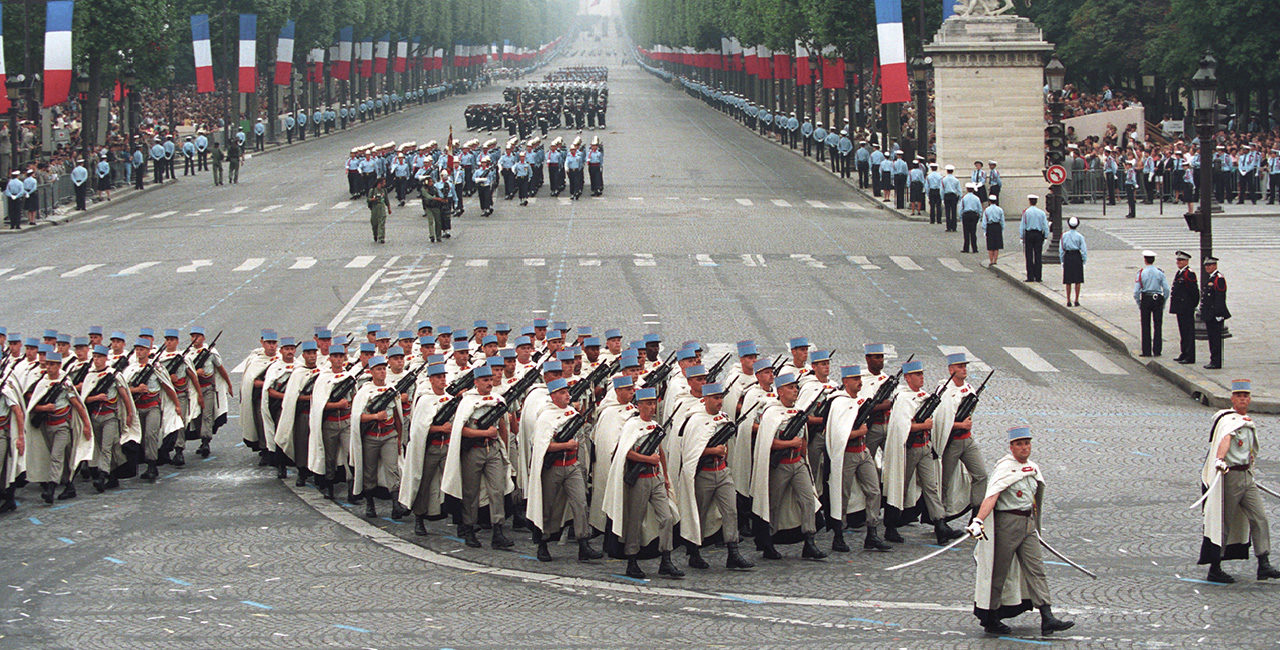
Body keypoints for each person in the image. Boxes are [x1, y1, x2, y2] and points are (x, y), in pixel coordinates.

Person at [967, 426, 1074, 636]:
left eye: (1027, 443)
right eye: (1019, 444)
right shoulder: (1004, 468)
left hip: (1027, 524)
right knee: (999, 572)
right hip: (1007, 524)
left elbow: (1034, 498)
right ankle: (991, 617)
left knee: (1036, 569)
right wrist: (978, 520)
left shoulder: (1033, 467)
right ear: (1011, 447)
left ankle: (1047, 616)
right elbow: (992, 496)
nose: (1024, 448)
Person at [1198, 379, 1280, 583]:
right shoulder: (1228, 420)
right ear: (1233, 399)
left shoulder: (1247, 422)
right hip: (1230, 476)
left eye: (1246, 396)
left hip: (1247, 478)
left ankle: (1264, 563)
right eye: (1239, 396)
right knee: (1223, 521)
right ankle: (1215, 567)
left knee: (1260, 518)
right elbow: (1225, 439)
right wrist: (1219, 459)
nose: (1243, 400)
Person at [602, 386, 682, 579]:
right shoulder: (631, 426)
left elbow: (660, 452)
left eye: (654, 403)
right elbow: (625, 452)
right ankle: (632, 559)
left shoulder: (655, 426)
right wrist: (647, 460)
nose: (652, 407)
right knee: (635, 521)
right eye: (648, 403)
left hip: (655, 478)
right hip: (639, 480)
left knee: (667, 517)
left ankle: (666, 558)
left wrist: (666, 477)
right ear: (638, 405)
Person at [883, 359, 964, 545]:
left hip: (925, 447)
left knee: (931, 487)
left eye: (922, 374)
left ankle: (940, 524)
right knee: (900, 486)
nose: (921, 378)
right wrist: (922, 425)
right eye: (917, 375)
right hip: (910, 449)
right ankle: (890, 525)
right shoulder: (903, 399)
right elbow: (901, 426)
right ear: (907, 378)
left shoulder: (924, 396)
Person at [750, 373, 827, 561]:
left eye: (795, 387)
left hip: (797, 462)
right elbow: (769, 442)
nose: (795, 391)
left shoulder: (799, 411)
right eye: (791, 388)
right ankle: (769, 541)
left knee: (808, 500)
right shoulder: (770, 413)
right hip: (780, 465)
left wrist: (802, 457)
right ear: (780, 391)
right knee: (773, 503)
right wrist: (790, 444)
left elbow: (803, 440)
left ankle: (810, 541)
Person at [528, 377, 602, 562]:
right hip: (553, 467)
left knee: (580, 503)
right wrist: (565, 445)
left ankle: (583, 542)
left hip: (571, 465)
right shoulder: (545, 416)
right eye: (562, 392)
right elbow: (542, 445)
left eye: (567, 392)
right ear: (553, 396)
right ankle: (543, 543)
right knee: (548, 506)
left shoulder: (571, 413)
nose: (567, 395)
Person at [441, 364, 514, 549]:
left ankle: (498, 529)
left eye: (490, 380)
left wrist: (502, 445)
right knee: (471, 492)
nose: (489, 383)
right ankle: (469, 528)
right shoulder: (467, 402)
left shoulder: (497, 399)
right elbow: (461, 430)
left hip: (493, 449)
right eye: (485, 380)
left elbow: (502, 427)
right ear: (476, 382)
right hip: (474, 450)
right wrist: (484, 434)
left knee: (497, 489)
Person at [824, 365, 892, 552]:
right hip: (847, 453)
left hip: (863, 451)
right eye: (855, 379)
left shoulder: (859, 401)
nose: (859, 382)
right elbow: (838, 434)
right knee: (842, 494)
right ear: (846, 381)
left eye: (859, 378)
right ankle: (838, 534)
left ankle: (872, 533)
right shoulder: (838, 403)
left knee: (874, 490)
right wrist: (858, 432)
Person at [349, 355, 403, 518]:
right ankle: (370, 504)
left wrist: (399, 437)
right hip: (371, 437)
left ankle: (396, 504)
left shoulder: (391, 390)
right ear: (371, 371)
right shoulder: (365, 392)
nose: (382, 372)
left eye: (383, 369)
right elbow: (358, 416)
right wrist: (374, 417)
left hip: (389, 435)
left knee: (392, 469)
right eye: (378, 369)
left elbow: (397, 415)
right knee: (369, 471)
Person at [1133, 250, 1169, 357]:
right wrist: (1163, 301)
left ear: (1145, 260)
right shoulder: (1160, 272)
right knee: (1158, 325)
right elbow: (1166, 289)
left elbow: (1136, 292)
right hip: (1157, 298)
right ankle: (1157, 350)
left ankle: (1146, 351)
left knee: (1145, 325)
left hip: (1146, 298)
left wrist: (1139, 303)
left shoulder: (1141, 273)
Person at [1170, 250, 1200, 365]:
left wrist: (1192, 305)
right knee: (1183, 331)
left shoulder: (1189, 273)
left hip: (1186, 307)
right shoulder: (1180, 273)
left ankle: (1190, 355)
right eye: (1178, 260)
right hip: (1180, 308)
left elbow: (1194, 292)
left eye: (1181, 260)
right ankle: (1184, 353)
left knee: (1188, 332)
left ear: (1187, 261)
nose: (1179, 262)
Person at [1200, 256, 1230, 369]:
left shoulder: (1219, 279)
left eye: (1210, 265)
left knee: (1216, 339)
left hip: (1215, 314)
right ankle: (1213, 360)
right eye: (1206, 266)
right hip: (1210, 314)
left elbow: (1220, 298)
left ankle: (1216, 362)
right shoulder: (1211, 278)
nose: (1207, 267)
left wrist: (1219, 314)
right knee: (1212, 338)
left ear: (1215, 266)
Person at [1019, 195, 1048, 283]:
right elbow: (1045, 225)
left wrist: (1021, 237)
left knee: (1029, 255)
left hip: (1029, 234)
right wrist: (1046, 236)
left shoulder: (1026, 212)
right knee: (1038, 255)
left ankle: (1030, 276)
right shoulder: (1041, 213)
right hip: (1038, 234)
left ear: (1029, 201)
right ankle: (1038, 276)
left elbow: (1023, 225)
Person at [1059, 216, 1087, 307]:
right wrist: (1083, 260)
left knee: (1068, 280)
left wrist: (1062, 260)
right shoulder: (1080, 236)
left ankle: (1068, 300)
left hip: (1068, 256)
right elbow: (1083, 250)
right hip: (1076, 256)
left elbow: (1061, 249)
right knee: (1077, 280)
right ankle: (1076, 299)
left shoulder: (1064, 235)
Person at [981, 196, 1004, 266]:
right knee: (997, 245)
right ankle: (995, 260)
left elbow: (984, 221)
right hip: (997, 226)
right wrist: (1001, 229)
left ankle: (991, 261)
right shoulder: (1000, 209)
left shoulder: (987, 210)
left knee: (990, 245)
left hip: (990, 226)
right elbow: (1002, 221)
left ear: (989, 201)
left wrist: (984, 230)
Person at [960, 183, 983, 254]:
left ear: (967, 189)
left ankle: (966, 248)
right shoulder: (976, 198)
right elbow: (980, 209)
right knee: (973, 232)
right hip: (973, 215)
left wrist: (961, 217)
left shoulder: (964, 198)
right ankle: (974, 248)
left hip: (966, 214)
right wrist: (979, 216)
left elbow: (961, 208)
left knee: (966, 232)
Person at [367, 178, 391, 244]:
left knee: (382, 222)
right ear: (379, 183)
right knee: (374, 223)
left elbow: (386, 200)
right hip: (375, 208)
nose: (385, 184)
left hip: (382, 207)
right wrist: (373, 199)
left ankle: (381, 237)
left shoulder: (384, 190)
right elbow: (368, 199)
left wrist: (389, 208)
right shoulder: (373, 190)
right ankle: (375, 235)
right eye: (383, 183)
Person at [942, 165, 961, 232]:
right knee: (954, 212)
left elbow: (942, 189)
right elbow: (959, 190)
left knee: (947, 212)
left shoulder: (944, 179)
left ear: (947, 171)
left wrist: (942, 198)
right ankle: (954, 227)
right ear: (952, 171)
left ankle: (948, 227)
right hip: (953, 196)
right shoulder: (956, 180)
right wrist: (959, 198)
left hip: (947, 195)